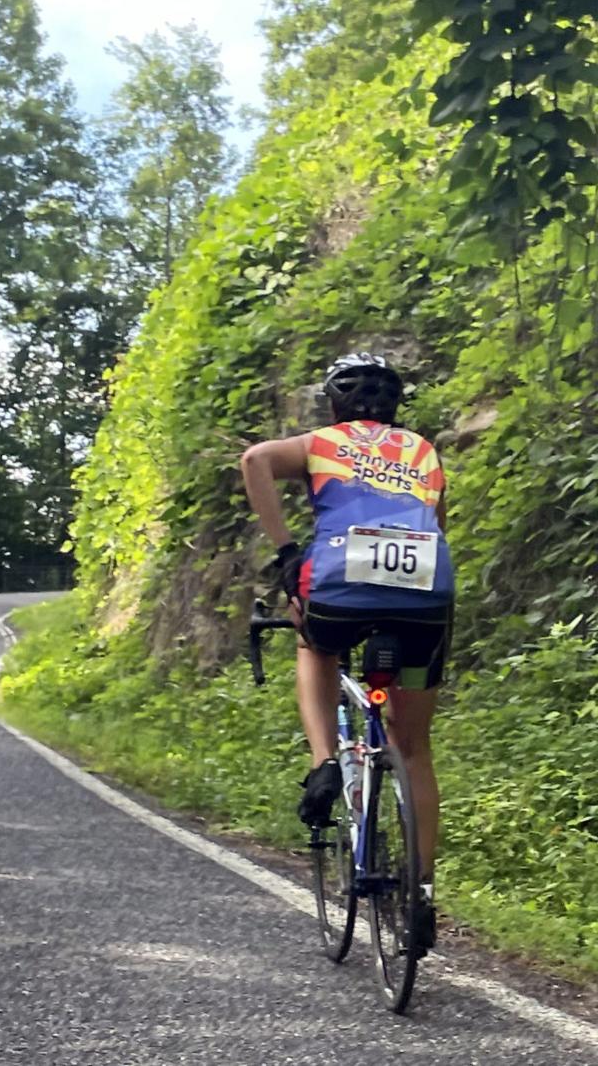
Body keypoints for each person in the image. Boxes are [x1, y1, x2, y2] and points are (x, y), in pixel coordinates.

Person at [240, 352, 454, 954]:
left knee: (312, 640)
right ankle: (421, 894)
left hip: (338, 587)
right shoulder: (423, 451)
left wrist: (286, 551)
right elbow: (435, 521)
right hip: (424, 590)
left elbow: (255, 459)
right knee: (412, 746)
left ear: (334, 403)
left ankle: (324, 759)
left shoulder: (323, 441)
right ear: (395, 407)